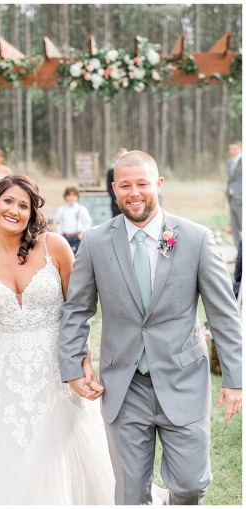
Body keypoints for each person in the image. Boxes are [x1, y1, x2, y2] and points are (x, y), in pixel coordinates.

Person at [59, 150, 242, 505]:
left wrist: (234, 378)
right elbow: (76, 310)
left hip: (184, 379)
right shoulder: (94, 242)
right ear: (114, 189)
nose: (134, 192)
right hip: (123, 384)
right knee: (130, 492)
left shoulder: (196, 239)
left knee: (191, 485)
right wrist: (71, 367)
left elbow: (225, 315)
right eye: (125, 185)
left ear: (158, 184)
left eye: (142, 183)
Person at [0, 174, 115, 504]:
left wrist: (82, 361)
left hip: (56, 368)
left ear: (32, 213)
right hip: (0, 373)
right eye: (8, 201)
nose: (14, 210)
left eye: (23, 205)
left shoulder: (54, 246)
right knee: (2, 454)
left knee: (60, 454)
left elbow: (77, 310)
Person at [54, 187, 93, 254]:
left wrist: (82, 234)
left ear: (77, 197)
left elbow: (87, 222)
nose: (71, 198)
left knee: (77, 256)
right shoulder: (62, 209)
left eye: (73, 195)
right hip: (65, 237)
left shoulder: (81, 209)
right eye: (69, 195)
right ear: (65, 196)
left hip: (76, 237)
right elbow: (58, 222)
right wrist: (60, 233)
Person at [226, 140, 242, 246]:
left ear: (241, 149)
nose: (231, 151)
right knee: (235, 227)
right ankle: (239, 255)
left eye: (234, 149)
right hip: (232, 198)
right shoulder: (229, 162)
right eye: (230, 149)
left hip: (241, 198)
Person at [106, 148, 128, 218]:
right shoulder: (111, 172)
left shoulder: (133, 172)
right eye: (118, 157)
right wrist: (117, 198)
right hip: (116, 205)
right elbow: (109, 188)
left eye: (122, 157)